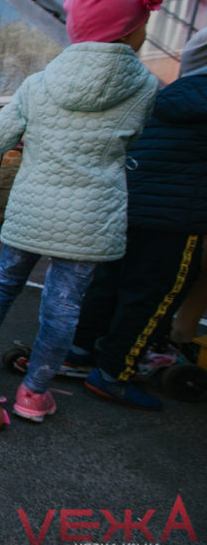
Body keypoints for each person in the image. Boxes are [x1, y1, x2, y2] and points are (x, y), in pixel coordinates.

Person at [0, 0, 163, 423]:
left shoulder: (40, 83)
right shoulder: (145, 86)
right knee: (64, 305)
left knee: (4, 283)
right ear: (129, 31)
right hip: (91, 216)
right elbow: (130, 138)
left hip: (34, 208)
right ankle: (34, 393)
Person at [71, 28, 207, 409]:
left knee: (109, 282)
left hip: (129, 206)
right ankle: (114, 372)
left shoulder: (164, 96)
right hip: (176, 218)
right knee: (151, 297)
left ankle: (80, 349)